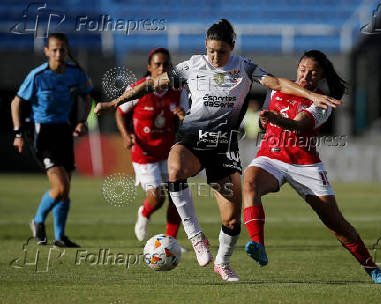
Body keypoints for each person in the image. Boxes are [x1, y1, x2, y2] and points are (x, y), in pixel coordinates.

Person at [94, 19, 340, 282]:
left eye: (221, 51)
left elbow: (278, 83)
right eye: (211, 50)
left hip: (223, 150)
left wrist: (312, 95)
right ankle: (196, 236)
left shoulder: (244, 67)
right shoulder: (192, 66)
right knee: (174, 169)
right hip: (192, 140)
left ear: (232, 47)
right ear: (205, 47)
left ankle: (222, 262)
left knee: (232, 221)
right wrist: (114, 102)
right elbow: (150, 84)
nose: (215, 56)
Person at [242, 50, 381, 284]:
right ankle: (258, 245)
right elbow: (268, 120)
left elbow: (298, 125)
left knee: (335, 223)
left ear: (321, 76)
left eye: (313, 73)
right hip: (271, 157)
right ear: (297, 66)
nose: (305, 76)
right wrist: (264, 120)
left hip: (305, 165)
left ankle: (371, 267)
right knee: (250, 183)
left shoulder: (323, 103)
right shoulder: (279, 88)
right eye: (302, 69)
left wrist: (272, 118)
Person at [11, 33, 93, 248]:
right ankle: (38, 220)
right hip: (43, 134)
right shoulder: (38, 75)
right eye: (54, 49)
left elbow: (87, 96)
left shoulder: (75, 74)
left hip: (64, 132)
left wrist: (82, 121)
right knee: (60, 188)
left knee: (66, 189)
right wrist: (18, 133)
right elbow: (16, 102)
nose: (58, 53)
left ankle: (60, 237)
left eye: (62, 49)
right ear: (46, 51)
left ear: (67, 51)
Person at [115, 48, 186, 242]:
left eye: (166, 64)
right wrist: (125, 134)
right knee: (157, 198)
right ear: (149, 67)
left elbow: (189, 118)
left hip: (168, 152)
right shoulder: (138, 89)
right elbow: (120, 112)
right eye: (157, 64)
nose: (162, 67)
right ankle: (145, 213)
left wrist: (183, 116)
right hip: (144, 153)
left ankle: (171, 242)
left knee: (177, 197)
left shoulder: (177, 91)